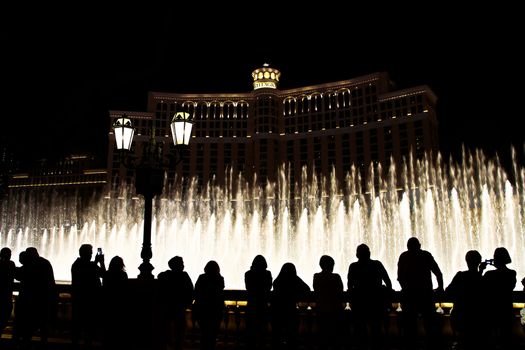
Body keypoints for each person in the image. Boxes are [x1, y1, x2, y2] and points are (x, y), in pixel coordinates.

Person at [397, 237, 443, 350]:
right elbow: (438, 273)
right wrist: (440, 288)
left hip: (410, 296)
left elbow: (400, 277)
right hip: (425, 295)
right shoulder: (426, 256)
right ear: (420, 245)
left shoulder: (404, 257)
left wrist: (405, 289)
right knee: (428, 323)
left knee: (411, 325)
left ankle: (412, 345)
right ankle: (431, 345)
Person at [348, 244, 392, 350]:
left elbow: (350, 286)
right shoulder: (377, 265)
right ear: (369, 253)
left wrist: (351, 300)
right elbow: (388, 282)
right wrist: (388, 297)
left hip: (360, 303)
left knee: (361, 331)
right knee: (376, 330)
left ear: (357, 254)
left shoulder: (353, 266)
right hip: (376, 303)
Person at [14, 247, 58, 349]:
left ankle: (25, 343)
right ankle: (43, 342)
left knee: (27, 324)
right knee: (42, 323)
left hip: (29, 300)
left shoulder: (30, 265)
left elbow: (18, 276)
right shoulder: (45, 263)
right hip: (43, 299)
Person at [445, 250, 485, 350]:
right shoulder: (483, 279)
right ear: (479, 262)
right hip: (477, 317)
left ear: (466, 261)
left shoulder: (460, 276)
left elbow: (448, 291)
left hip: (461, 315)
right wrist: (480, 271)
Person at [71, 244, 106, 349]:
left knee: (88, 328)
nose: (91, 255)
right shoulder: (78, 265)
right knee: (82, 327)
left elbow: (104, 275)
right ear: (84, 254)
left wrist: (101, 262)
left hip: (86, 301)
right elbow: (86, 274)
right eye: (90, 253)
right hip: (84, 301)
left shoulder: (89, 264)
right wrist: (97, 262)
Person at [481, 247, 516, 349]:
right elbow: (510, 287)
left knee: (491, 339)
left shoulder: (489, 274)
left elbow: (479, 286)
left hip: (492, 310)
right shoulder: (512, 273)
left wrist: (481, 270)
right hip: (506, 309)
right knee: (506, 339)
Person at [271, 262, 310, 350]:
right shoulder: (295, 280)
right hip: (290, 311)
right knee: (292, 336)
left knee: (276, 336)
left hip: (277, 312)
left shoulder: (277, 281)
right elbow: (307, 289)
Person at [157, 256, 194, 350]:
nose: (183, 265)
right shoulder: (184, 276)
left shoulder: (165, 275)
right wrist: (187, 303)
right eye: (182, 263)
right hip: (179, 308)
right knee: (179, 331)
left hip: (168, 307)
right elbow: (190, 291)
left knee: (167, 330)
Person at [313, 255, 343, 350]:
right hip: (335, 310)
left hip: (321, 309)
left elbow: (315, 289)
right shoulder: (336, 277)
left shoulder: (316, 276)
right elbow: (340, 291)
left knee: (322, 336)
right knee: (335, 336)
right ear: (331, 265)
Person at [193, 260, 224, 350]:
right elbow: (220, 292)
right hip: (215, 310)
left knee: (204, 333)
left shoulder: (202, 277)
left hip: (202, 309)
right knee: (213, 334)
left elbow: (197, 290)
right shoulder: (219, 278)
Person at [244, 255, 272, 349]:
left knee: (250, 333)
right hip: (262, 306)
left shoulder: (248, 274)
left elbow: (248, 288)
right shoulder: (267, 274)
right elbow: (268, 288)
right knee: (262, 334)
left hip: (251, 306)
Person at [102, 256, 128, 350]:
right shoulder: (123, 275)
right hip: (119, 305)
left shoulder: (107, 274)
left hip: (108, 305)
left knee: (109, 329)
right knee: (118, 329)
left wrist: (101, 262)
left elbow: (104, 281)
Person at [0, 247, 16, 337]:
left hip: (4, 295)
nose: (10, 255)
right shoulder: (11, 264)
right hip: (6, 296)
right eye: (9, 254)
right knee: (4, 316)